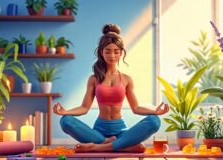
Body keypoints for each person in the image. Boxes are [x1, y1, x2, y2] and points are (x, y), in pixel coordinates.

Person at [53, 24, 169, 153]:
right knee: (66, 121)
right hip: (98, 132)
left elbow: (135, 108)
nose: (112, 55)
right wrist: (65, 112)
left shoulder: (126, 79)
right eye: (107, 51)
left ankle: (99, 147)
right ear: (101, 52)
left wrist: (155, 111)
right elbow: (84, 108)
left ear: (121, 53)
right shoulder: (94, 79)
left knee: (154, 121)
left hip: (121, 131)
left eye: (116, 51)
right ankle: (116, 145)